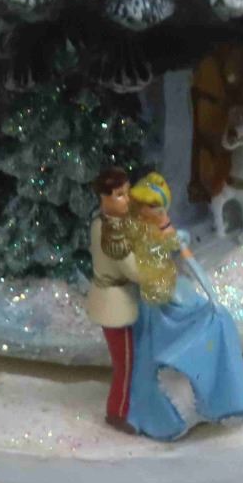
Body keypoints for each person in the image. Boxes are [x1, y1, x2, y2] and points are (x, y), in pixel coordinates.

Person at [123, 173, 243, 441]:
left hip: (175, 292)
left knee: (217, 321)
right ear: (142, 208)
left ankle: (219, 397)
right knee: (149, 358)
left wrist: (210, 293)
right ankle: (163, 412)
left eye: (163, 208)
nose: (162, 214)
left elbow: (188, 258)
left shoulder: (163, 229)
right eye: (155, 208)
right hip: (155, 303)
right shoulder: (133, 235)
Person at [87, 168, 145, 433]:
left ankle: (129, 405)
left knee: (129, 360)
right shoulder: (111, 232)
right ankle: (117, 412)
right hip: (115, 304)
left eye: (128, 193)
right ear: (104, 197)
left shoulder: (102, 222)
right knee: (126, 364)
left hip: (116, 297)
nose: (127, 199)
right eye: (120, 195)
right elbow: (134, 271)